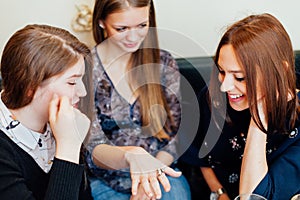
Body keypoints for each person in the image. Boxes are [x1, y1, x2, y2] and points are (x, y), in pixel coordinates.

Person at [180, 13, 300, 199]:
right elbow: (199, 155)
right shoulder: (212, 96)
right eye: (221, 71)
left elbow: (253, 196)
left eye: (240, 77)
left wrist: (259, 117)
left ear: (279, 72)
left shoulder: (296, 120)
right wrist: (219, 193)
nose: (224, 86)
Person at [82, 0, 191, 199]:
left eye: (142, 25)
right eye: (121, 28)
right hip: (107, 180)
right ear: (100, 22)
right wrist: (130, 158)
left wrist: (151, 176)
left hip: (162, 170)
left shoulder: (162, 63)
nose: (133, 37)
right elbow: (92, 148)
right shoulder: (85, 68)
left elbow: (173, 138)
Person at [0, 24, 93, 199]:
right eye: (72, 83)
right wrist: (68, 147)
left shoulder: (59, 120)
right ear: (30, 85)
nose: (82, 92)